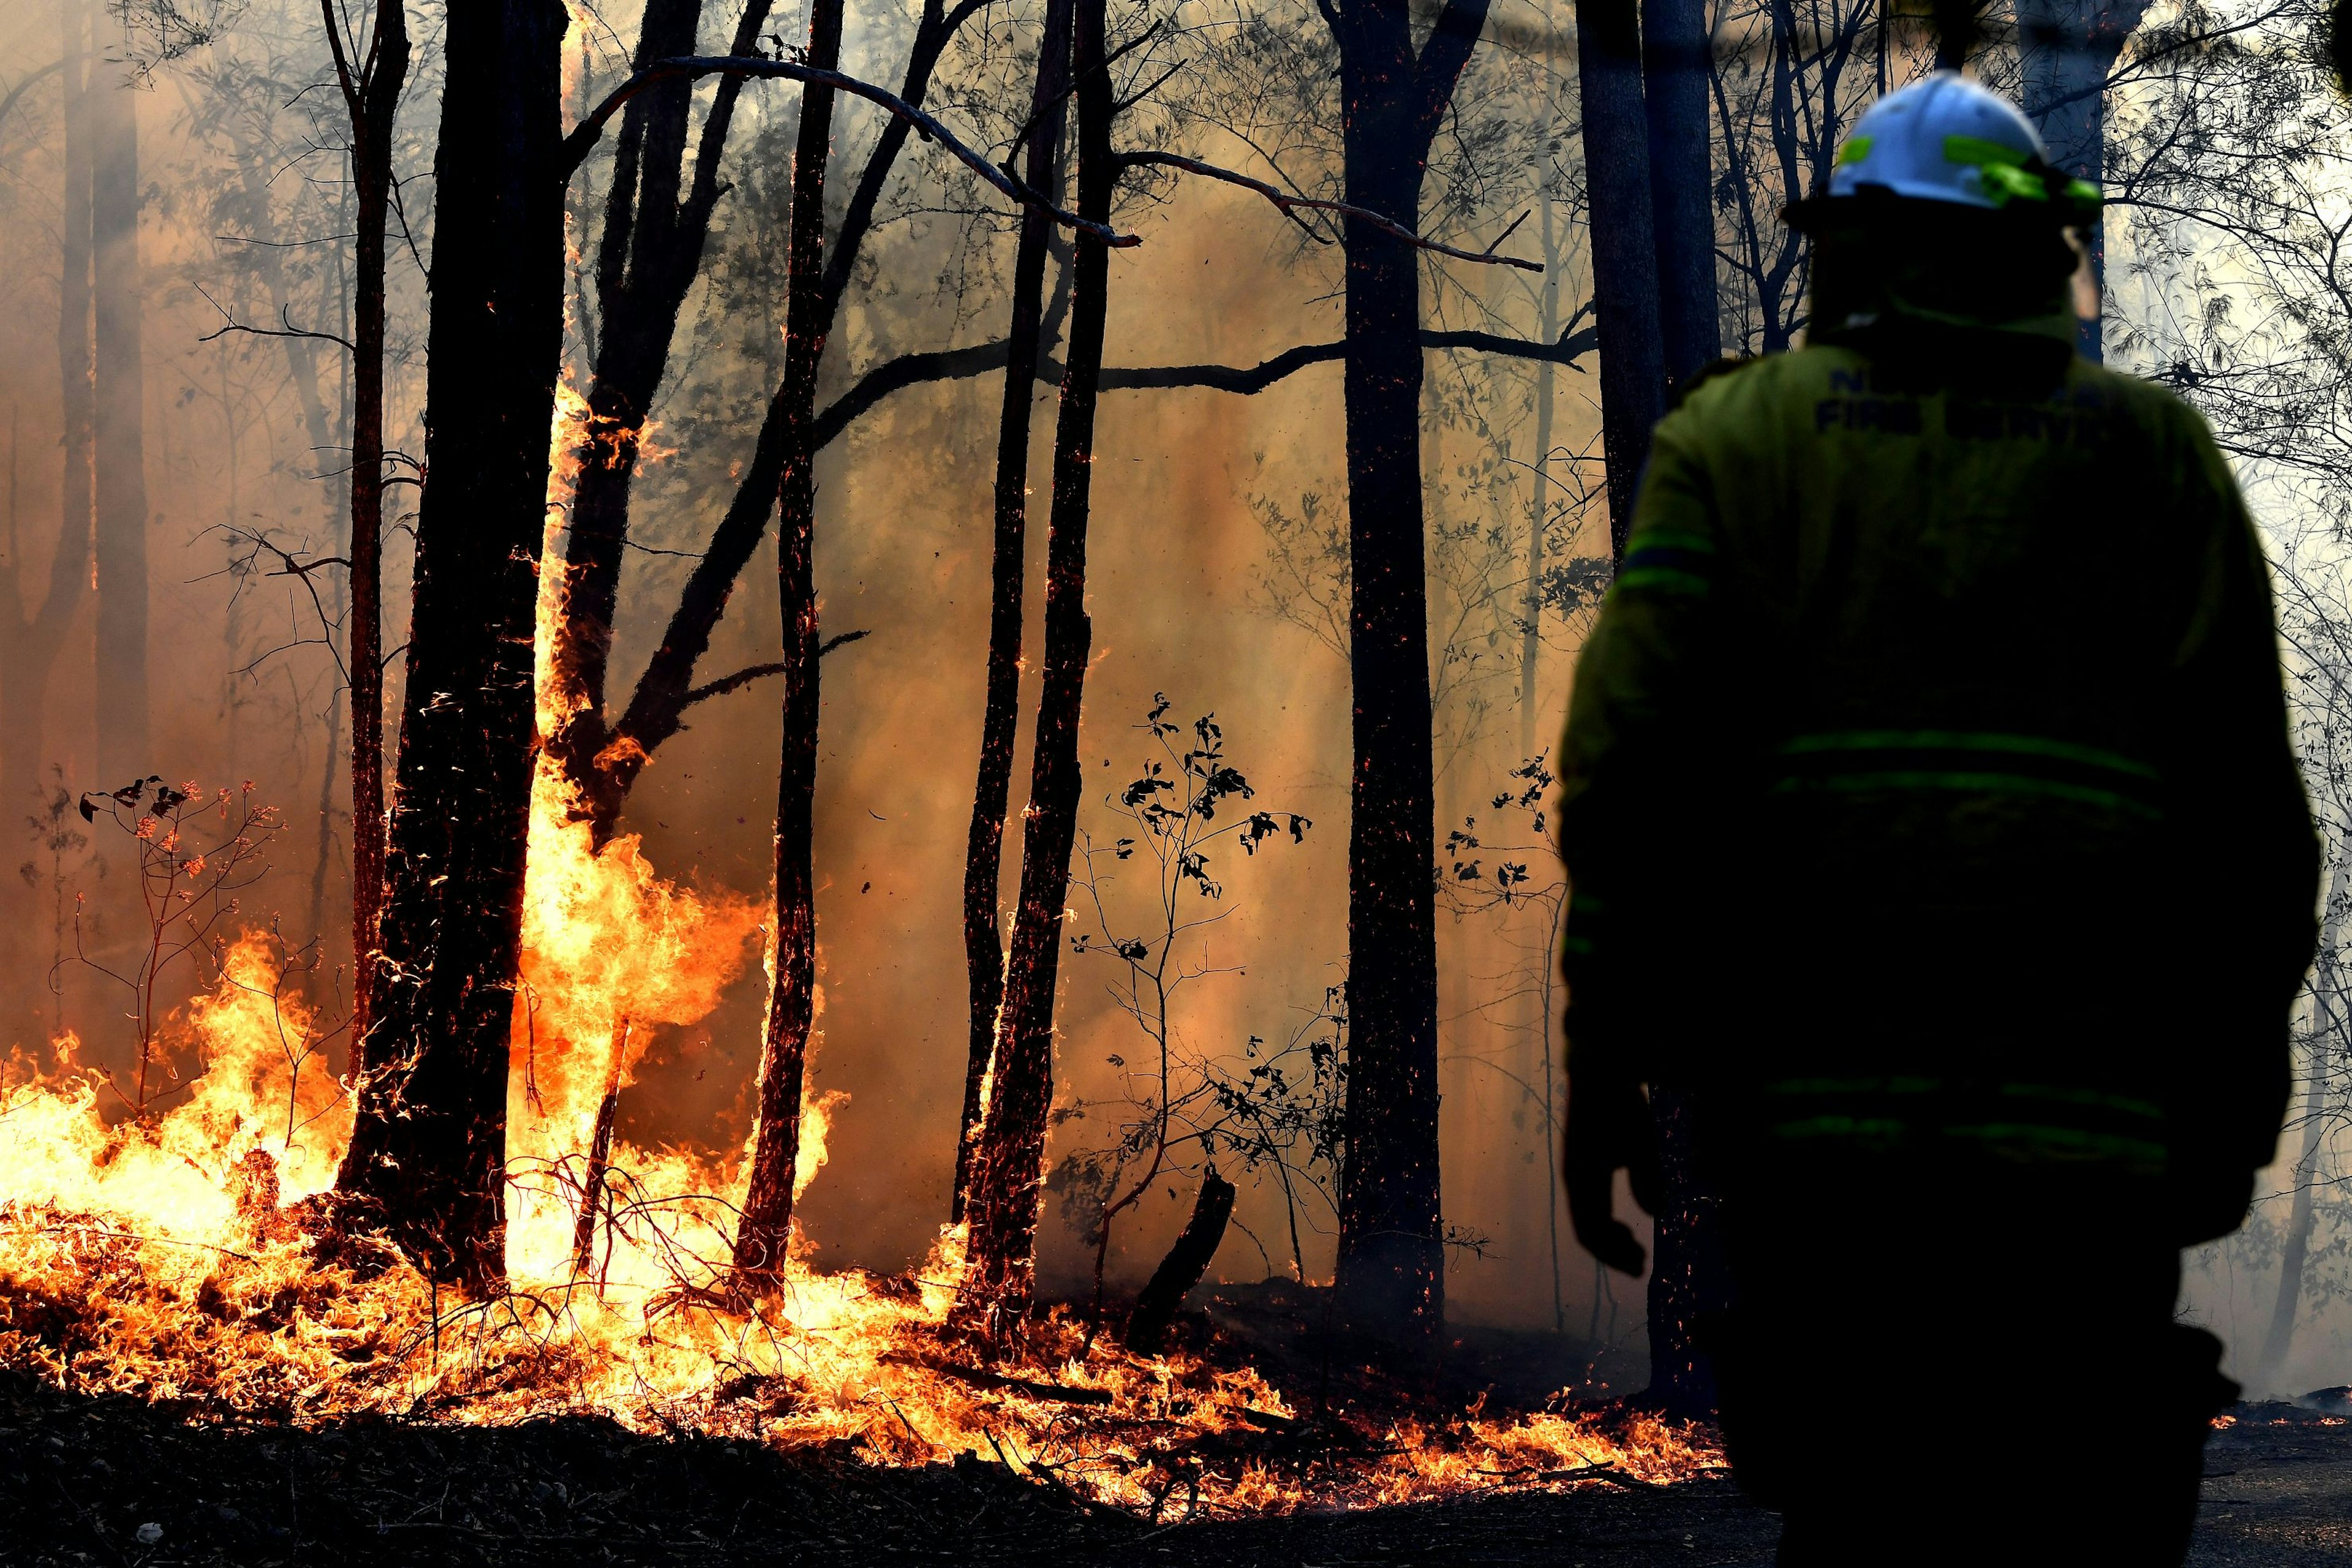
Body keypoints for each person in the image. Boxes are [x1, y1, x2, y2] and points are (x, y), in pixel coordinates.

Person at [1555, 73, 2320, 1565]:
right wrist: (2233, 1108)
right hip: (2089, 1170)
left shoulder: (1742, 444)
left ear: (1852, 251)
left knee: (1865, 1520)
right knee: (2077, 1526)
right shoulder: (2151, 459)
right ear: (2038, 251)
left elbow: (1628, 781)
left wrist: (1611, 1070)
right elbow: (2253, 836)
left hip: (1822, 1158)